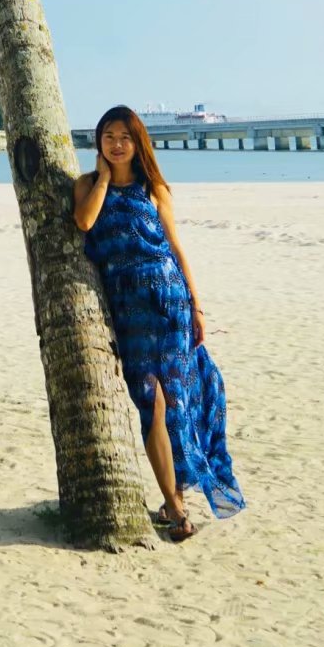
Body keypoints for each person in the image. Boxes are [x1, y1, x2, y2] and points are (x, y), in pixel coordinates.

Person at [74, 104, 244, 542]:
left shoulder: (156, 190)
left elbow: (176, 248)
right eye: (109, 136)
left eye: (124, 138)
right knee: (152, 405)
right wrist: (106, 179)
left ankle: (176, 503)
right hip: (128, 310)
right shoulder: (87, 186)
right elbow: (85, 221)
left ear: (138, 143)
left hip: (169, 303)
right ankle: (174, 502)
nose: (116, 144)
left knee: (177, 402)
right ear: (99, 142)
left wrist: (197, 306)